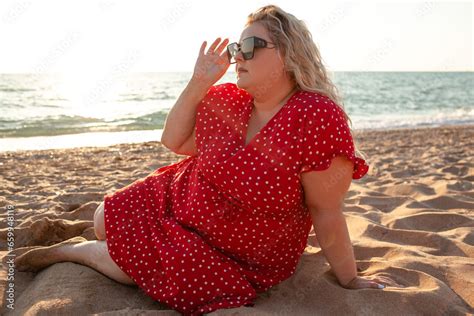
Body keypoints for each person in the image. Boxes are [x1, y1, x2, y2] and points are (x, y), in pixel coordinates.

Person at [11, 4, 403, 316]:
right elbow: (173, 140)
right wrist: (199, 82)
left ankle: (73, 252)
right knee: (102, 221)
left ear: (286, 55)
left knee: (140, 266)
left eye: (249, 48)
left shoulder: (315, 116)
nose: (237, 58)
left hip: (238, 248)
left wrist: (349, 279)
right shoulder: (227, 101)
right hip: (179, 197)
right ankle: (88, 234)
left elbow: (326, 209)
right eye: (236, 49)